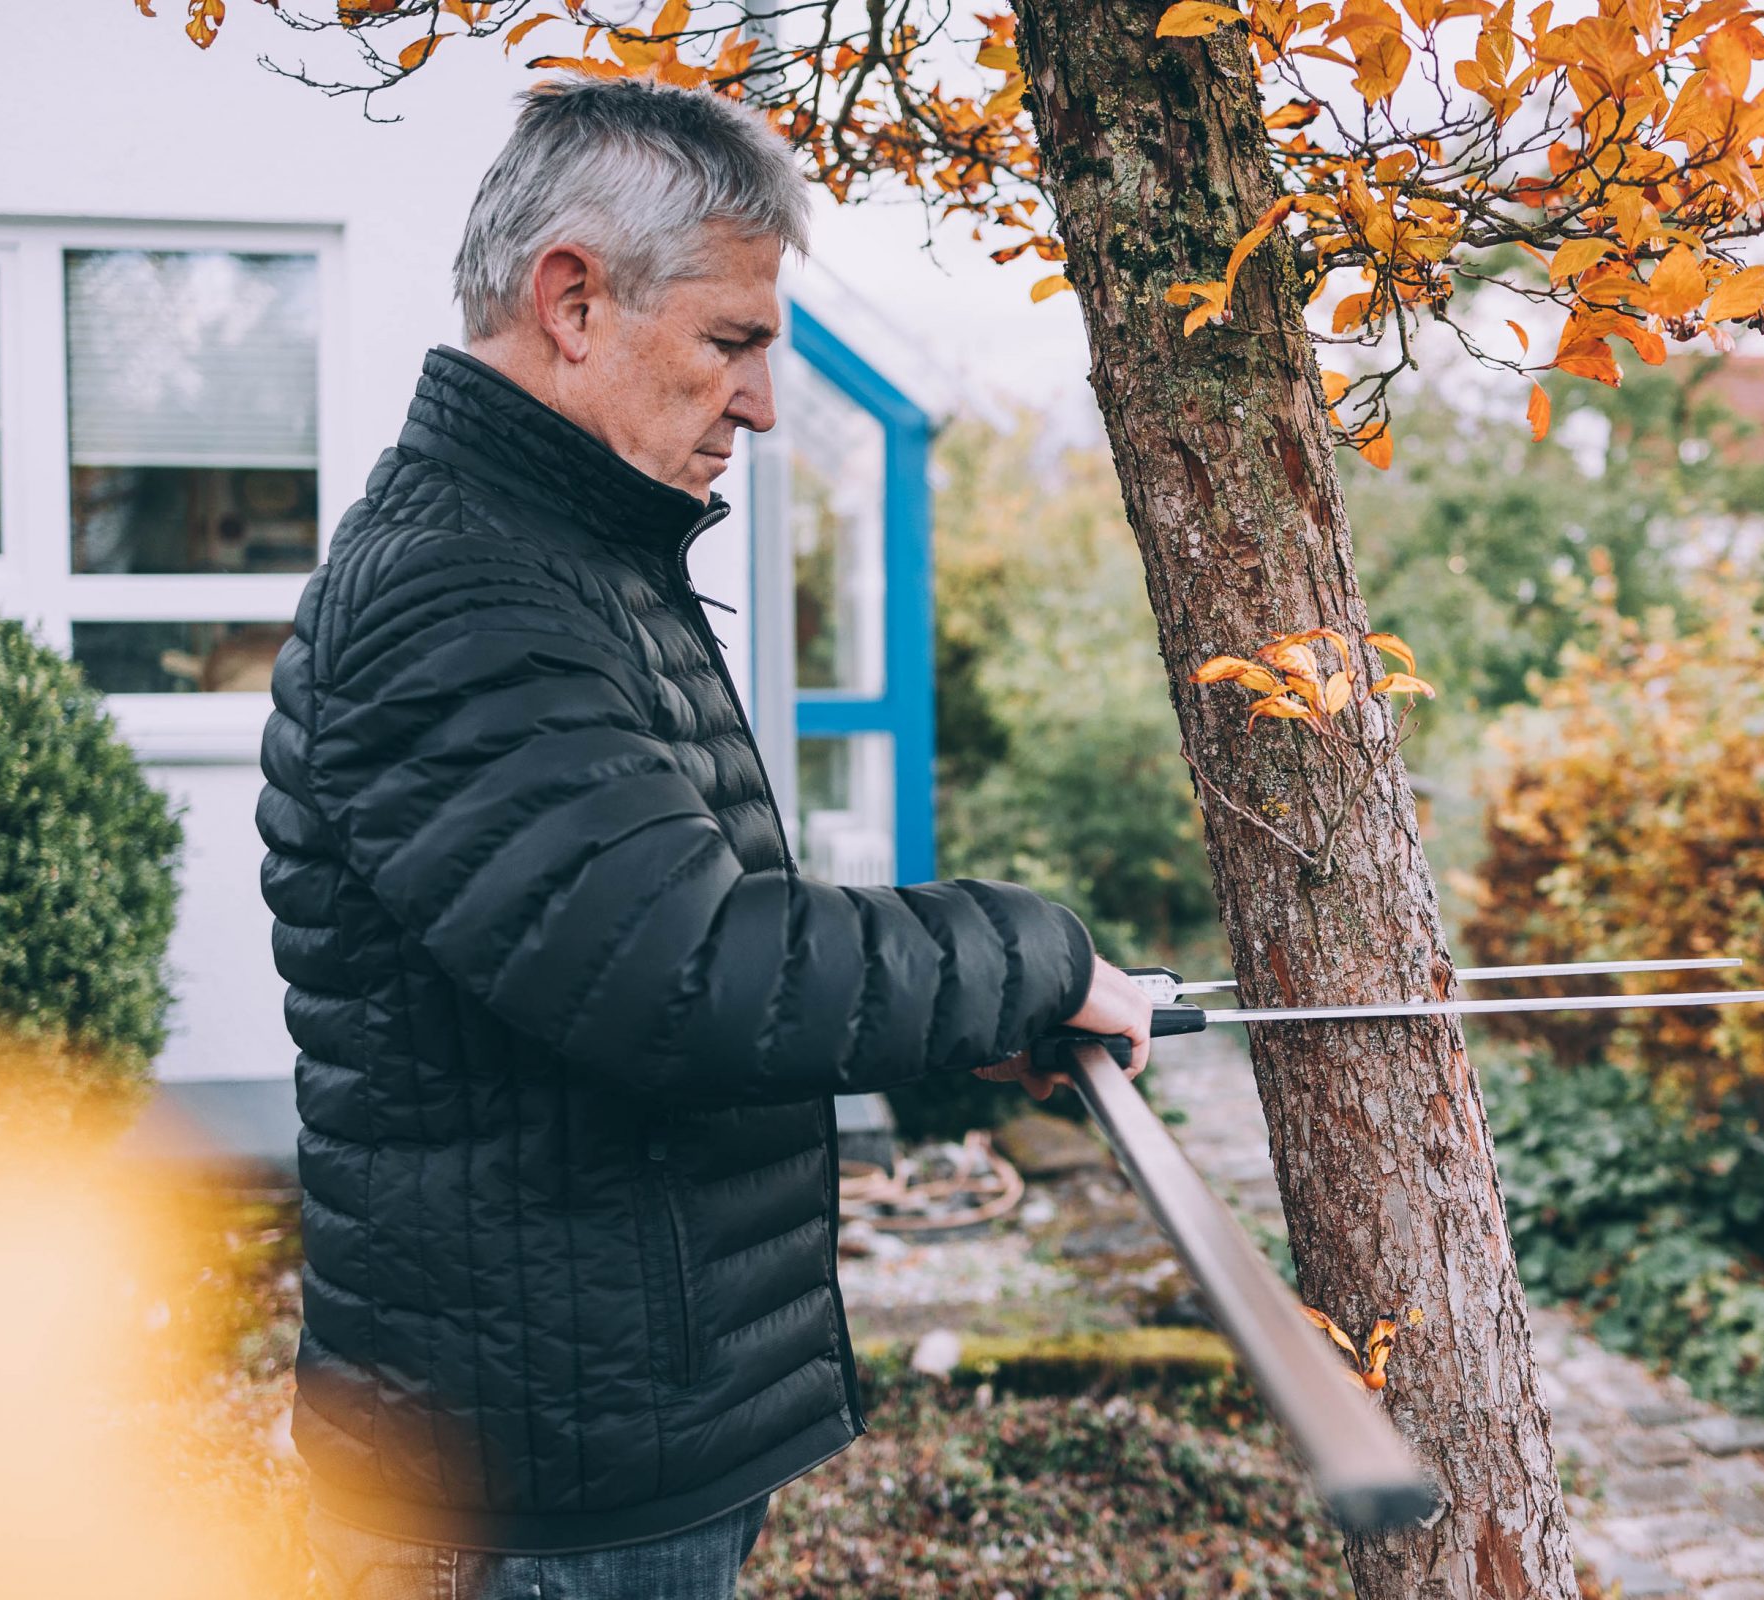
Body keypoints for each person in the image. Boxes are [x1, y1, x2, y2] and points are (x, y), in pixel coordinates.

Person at [258, 77, 1155, 1600]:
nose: (758, 400)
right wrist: (1035, 959)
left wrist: (972, 1014)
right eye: (733, 344)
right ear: (574, 302)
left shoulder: (567, 564)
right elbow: (689, 973)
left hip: (591, 1451)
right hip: (530, 1504)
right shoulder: (462, 598)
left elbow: (660, 924)